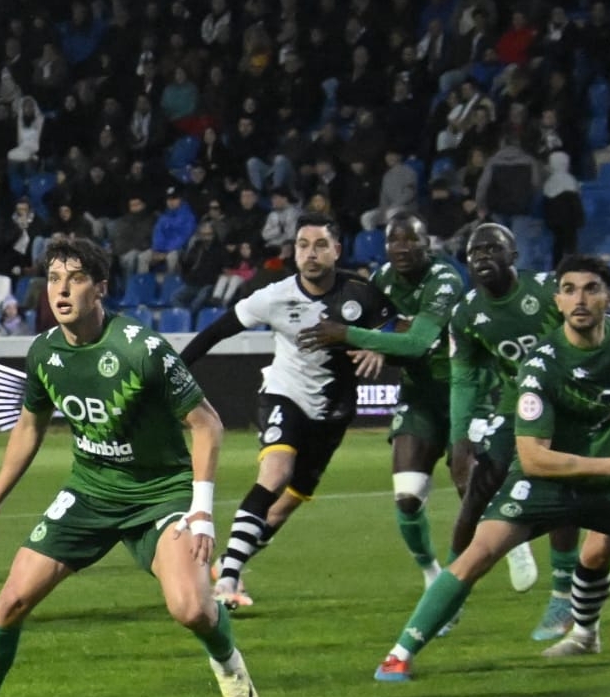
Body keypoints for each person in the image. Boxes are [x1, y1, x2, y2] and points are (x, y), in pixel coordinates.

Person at [0, 236, 257, 697]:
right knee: (12, 599)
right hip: (90, 491)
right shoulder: (44, 351)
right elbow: (29, 426)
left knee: (191, 609)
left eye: (76, 278)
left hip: (160, 493)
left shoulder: (141, 349)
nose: (61, 291)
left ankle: (229, 664)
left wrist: (201, 510)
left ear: (100, 288)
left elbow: (208, 424)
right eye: (54, 279)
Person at [374, 257, 610, 681]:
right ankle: (399, 653)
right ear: (557, 299)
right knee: (477, 555)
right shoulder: (541, 365)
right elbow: (534, 457)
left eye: (591, 289)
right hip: (545, 485)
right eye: (569, 289)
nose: (580, 299)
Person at [181, 212, 395, 606]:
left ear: (336, 250)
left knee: (281, 510)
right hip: (285, 394)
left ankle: (231, 561)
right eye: (302, 245)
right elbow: (215, 332)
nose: (310, 254)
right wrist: (174, 372)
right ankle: (227, 582)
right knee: (275, 473)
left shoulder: (361, 293)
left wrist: (376, 344)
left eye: (319, 246)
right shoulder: (274, 296)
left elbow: (396, 327)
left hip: (333, 412)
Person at [299, 214, 466, 585]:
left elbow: (418, 342)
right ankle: (432, 575)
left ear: (428, 244)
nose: (401, 248)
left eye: (411, 240)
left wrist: (351, 334)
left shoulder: (445, 279)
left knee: (470, 486)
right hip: (418, 394)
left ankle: (476, 567)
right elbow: (386, 333)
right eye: (394, 241)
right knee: (407, 497)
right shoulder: (382, 280)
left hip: (461, 391)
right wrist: (377, 340)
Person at [447, 222, 585, 638]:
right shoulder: (467, 313)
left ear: (514, 256)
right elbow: (464, 379)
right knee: (476, 493)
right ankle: (448, 593)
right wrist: (459, 439)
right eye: (474, 252)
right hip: (517, 404)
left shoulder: (547, 291)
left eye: (493, 248)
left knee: (563, 493)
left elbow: (598, 330)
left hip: (568, 404)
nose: (483, 257)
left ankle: (563, 597)